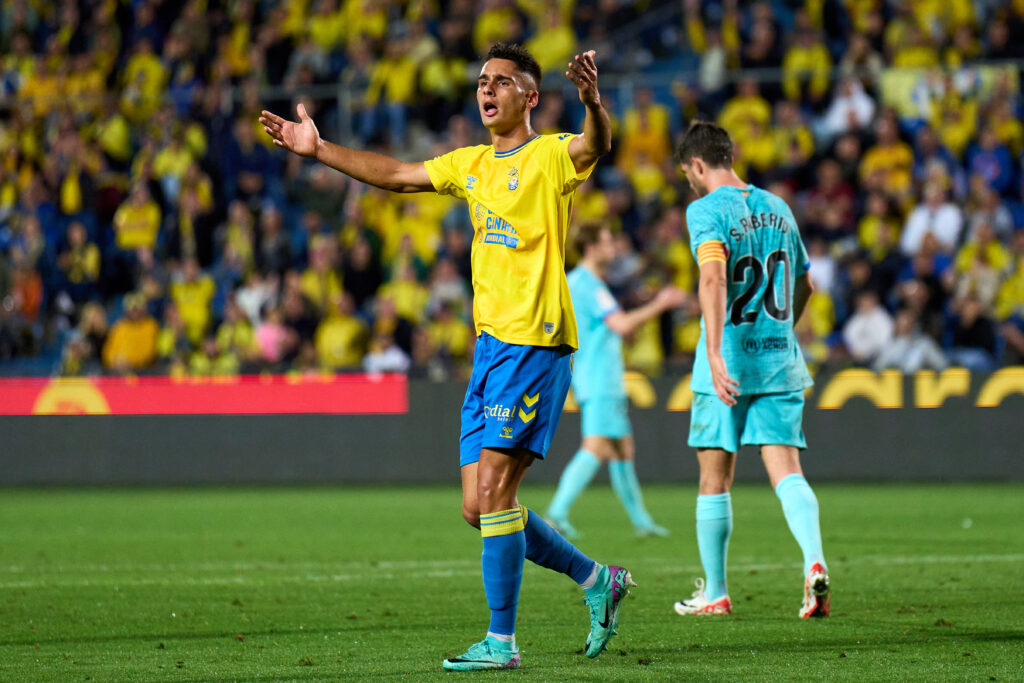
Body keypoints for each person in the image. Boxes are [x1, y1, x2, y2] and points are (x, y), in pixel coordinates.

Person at [261, 43, 633, 671]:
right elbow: (397, 174)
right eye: (482, 81)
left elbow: (594, 145)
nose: (487, 91)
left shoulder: (549, 157)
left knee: (494, 492)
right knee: (477, 506)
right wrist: (319, 151)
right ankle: (598, 580)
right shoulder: (472, 164)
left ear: (531, 97)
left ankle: (502, 643)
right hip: (490, 348)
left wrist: (594, 101)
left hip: (535, 342)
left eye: (502, 82)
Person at [672, 121, 830, 620]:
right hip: (779, 360)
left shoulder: (704, 210)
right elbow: (806, 282)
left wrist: (716, 353)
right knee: (787, 471)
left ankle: (716, 591)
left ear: (696, 165)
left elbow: (714, 276)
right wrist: (785, 327)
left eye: (687, 174)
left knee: (714, 480)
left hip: (730, 364)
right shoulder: (779, 208)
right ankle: (814, 562)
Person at [546, 222, 684, 538]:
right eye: (608, 241)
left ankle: (642, 522)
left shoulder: (581, 282)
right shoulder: (589, 285)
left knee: (623, 448)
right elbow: (620, 324)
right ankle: (557, 512)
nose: (614, 247)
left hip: (596, 373)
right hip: (599, 376)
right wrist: (660, 304)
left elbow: (606, 328)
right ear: (591, 247)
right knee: (596, 446)